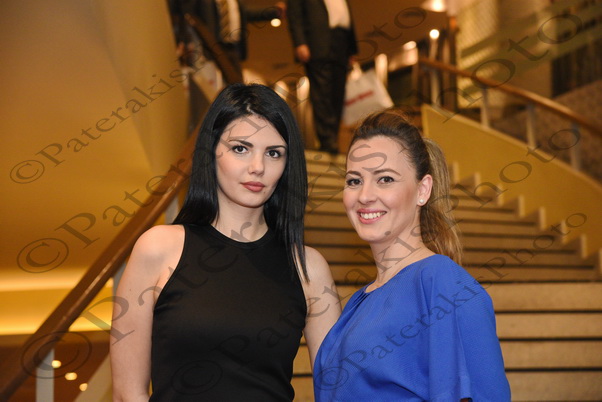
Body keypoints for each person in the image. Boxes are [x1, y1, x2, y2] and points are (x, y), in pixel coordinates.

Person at [110, 83, 340, 401]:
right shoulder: (158, 248)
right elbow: (127, 393)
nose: (258, 167)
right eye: (240, 148)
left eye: (273, 153)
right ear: (211, 151)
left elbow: (337, 389)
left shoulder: (308, 267)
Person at [313, 109, 511, 401]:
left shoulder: (442, 282)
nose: (364, 195)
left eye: (385, 179)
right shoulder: (359, 302)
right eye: (354, 180)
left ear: (423, 189)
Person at [287, 0, 358, 154]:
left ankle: (333, 137)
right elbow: (294, 15)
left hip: (341, 40)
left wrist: (352, 49)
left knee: (338, 92)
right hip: (317, 42)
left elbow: (347, 15)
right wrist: (300, 42)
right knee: (322, 92)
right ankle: (327, 139)